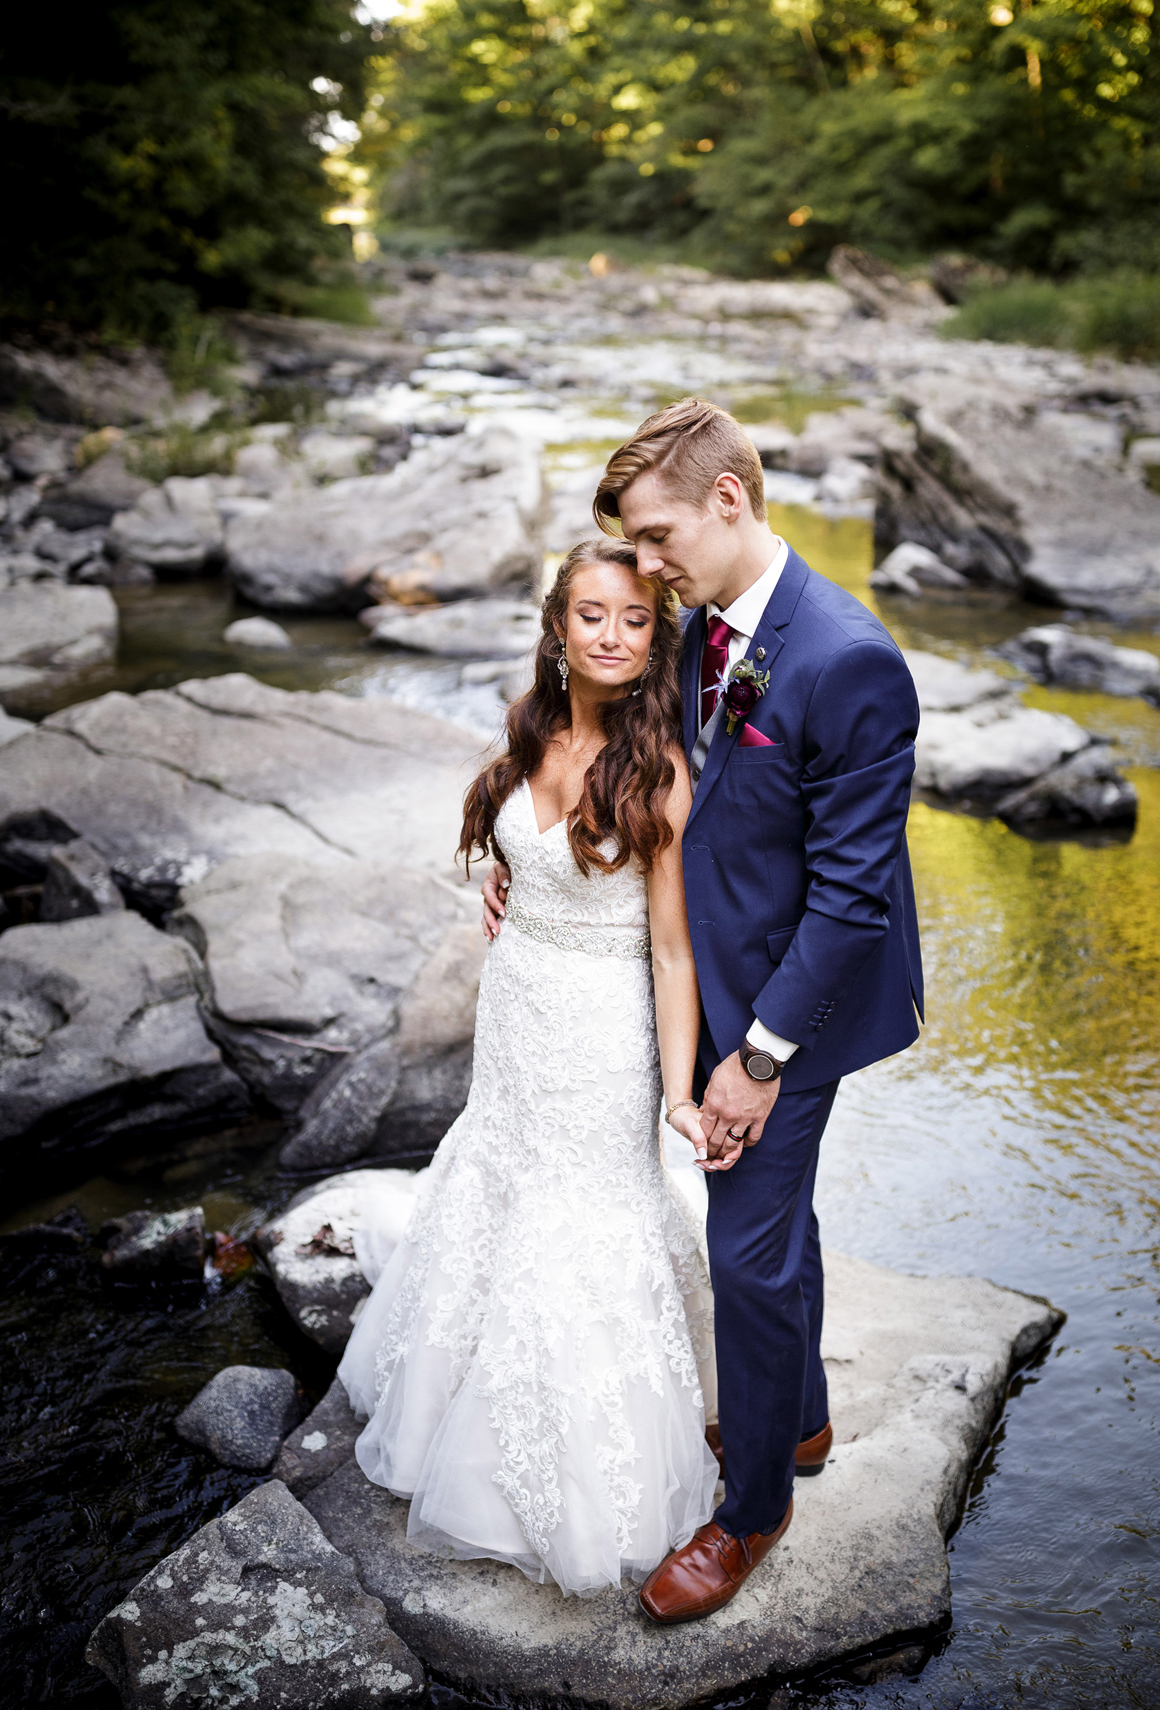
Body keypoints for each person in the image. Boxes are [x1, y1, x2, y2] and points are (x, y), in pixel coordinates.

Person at [485, 399, 923, 1623]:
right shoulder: (691, 623)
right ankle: (807, 1419)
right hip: (696, 966)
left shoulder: (847, 660)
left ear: (729, 501)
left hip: (799, 999)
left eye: (661, 534)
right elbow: (612, 741)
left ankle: (752, 1513)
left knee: (743, 1243)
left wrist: (759, 1058)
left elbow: (852, 900)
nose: (647, 563)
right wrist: (537, 871)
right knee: (778, 1221)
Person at [337, 533, 723, 1596]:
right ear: (557, 629)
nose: (611, 635)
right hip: (513, 1009)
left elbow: (673, 949)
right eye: (591, 615)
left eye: (634, 620)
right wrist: (503, 882)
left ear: (655, 640)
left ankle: (569, 1479)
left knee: (582, 1215)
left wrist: (680, 1091)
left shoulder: (661, 769)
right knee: (497, 1173)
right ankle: (448, 1390)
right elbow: (522, 855)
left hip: (602, 1029)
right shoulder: (535, 727)